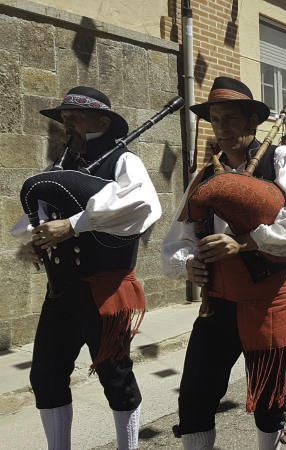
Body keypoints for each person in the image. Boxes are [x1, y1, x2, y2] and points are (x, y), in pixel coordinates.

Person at [162, 77, 286, 449]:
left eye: (232, 118)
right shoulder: (203, 177)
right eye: (216, 119)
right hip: (216, 305)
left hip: (267, 303)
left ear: (252, 123)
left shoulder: (281, 160)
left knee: (269, 403)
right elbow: (177, 241)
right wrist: (188, 263)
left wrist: (245, 243)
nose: (223, 128)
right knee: (195, 399)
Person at [11, 86, 162, 450]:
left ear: (102, 121)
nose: (68, 123)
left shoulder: (124, 162)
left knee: (115, 377)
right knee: (46, 377)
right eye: (64, 118)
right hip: (61, 293)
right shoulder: (61, 166)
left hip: (104, 292)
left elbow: (140, 206)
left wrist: (74, 224)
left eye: (75, 116)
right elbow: (39, 212)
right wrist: (37, 239)